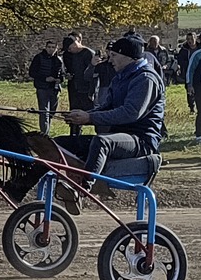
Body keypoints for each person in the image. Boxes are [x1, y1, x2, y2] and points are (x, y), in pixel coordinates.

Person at [57, 35, 164, 178]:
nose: (110, 59)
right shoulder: (120, 77)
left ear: (129, 57)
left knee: (101, 141)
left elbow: (130, 113)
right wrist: (82, 116)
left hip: (141, 140)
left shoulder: (146, 79)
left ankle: (85, 184)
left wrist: (90, 117)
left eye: (114, 55)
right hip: (119, 136)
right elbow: (107, 106)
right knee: (59, 143)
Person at [28, 39, 65, 135]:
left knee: (52, 111)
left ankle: (47, 129)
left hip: (54, 88)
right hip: (42, 88)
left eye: (53, 47)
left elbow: (62, 74)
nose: (51, 49)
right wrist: (45, 79)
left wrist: (60, 79)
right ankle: (45, 134)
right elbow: (32, 72)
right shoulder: (39, 58)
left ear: (56, 48)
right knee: (44, 112)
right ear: (46, 47)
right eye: (49, 47)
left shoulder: (59, 60)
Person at [60, 33, 97, 111]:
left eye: (70, 48)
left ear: (75, 44)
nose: (69, 51)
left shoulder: (88, 53)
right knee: (74, 111)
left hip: (86, 88)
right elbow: (67, 68)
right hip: (73, 88)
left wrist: (92, 90)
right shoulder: (67, 55)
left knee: (89, 111)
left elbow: (94, 72)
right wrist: (67, 74)